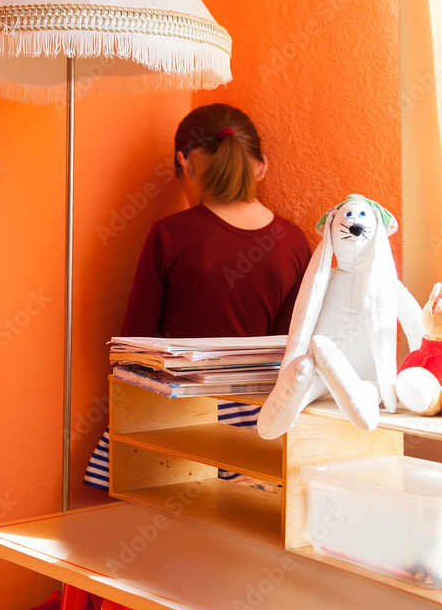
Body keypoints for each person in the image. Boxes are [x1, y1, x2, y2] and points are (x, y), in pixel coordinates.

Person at [85, 104, 311, 490]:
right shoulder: (294, 242)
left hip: (174, 422)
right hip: (256, 430)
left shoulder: (170, 234)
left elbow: (136, 345)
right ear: (260, 166)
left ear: (184, 164)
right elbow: (290, 351)